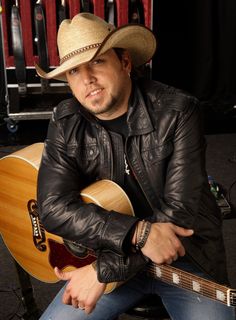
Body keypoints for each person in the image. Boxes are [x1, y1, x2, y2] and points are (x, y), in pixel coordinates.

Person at [36, 13, 235, 320]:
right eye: (74, 71)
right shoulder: (65, 120)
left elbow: (177, 215)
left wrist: (101, 271)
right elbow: (52, 207)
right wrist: (138, 234)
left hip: (184, 255)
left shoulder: (179, 111)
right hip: (108, 251)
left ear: (125, 62)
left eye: (98, 62)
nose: (86, 78)